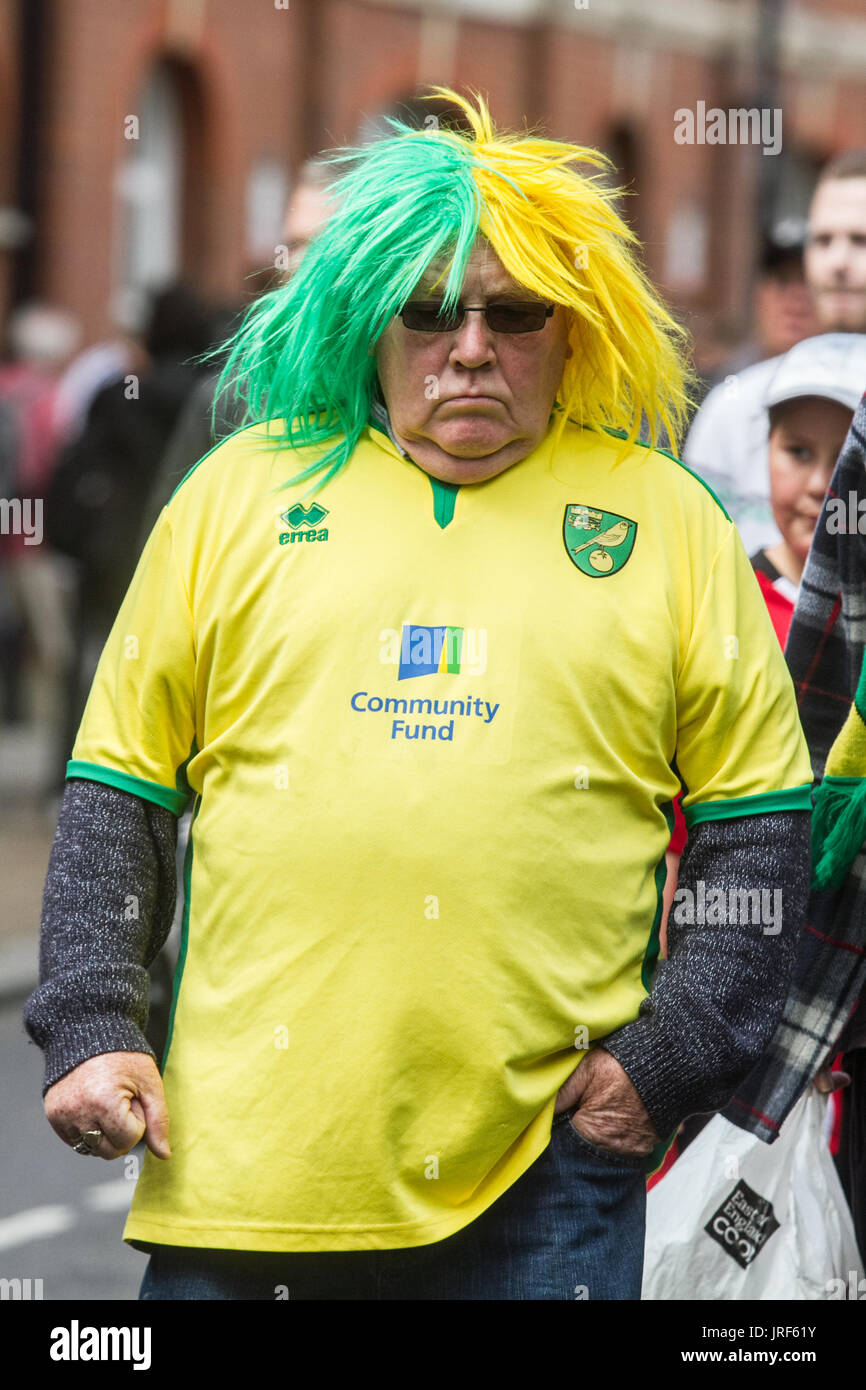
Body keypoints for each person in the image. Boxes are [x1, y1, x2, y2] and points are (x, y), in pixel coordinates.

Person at [23, 87, 814, 1302]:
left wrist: (662, 1063)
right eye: (428, 309)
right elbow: (118, 786)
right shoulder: (236, 496)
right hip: (243, 1177)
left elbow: (757, 824)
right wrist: (90, 1021)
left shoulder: (665, 521)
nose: (469, 346)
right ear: (364, 322)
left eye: (515, 312)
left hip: (543, 1184)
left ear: (575, 325)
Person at [685, 149, 866, 555]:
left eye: (860, 240)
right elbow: (696, 562)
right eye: (822, 241)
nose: (837, 262)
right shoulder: (736, 403)